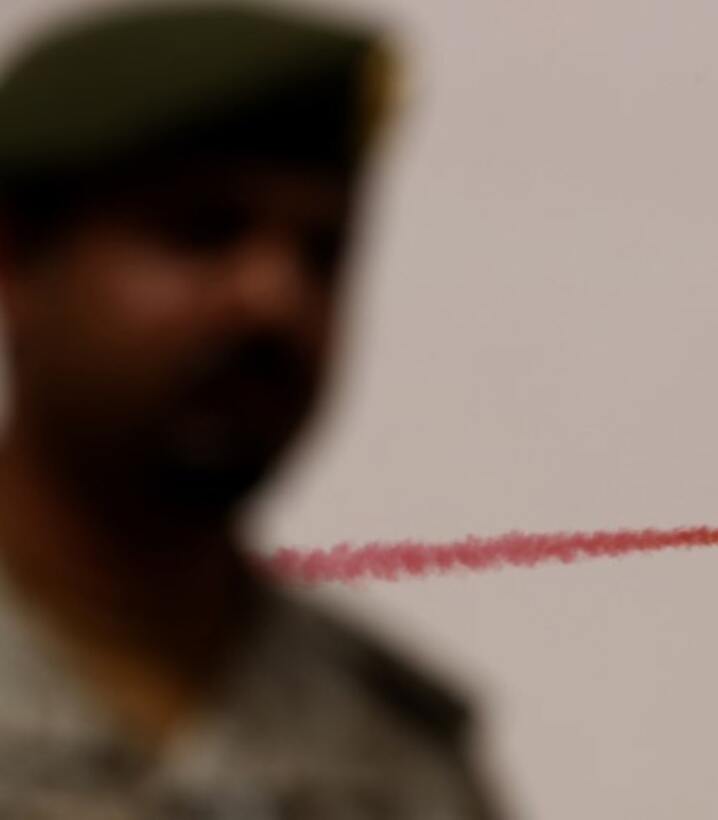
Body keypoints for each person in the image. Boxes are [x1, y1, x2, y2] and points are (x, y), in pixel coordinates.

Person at [0, 3, 502, 817]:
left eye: (322, 252)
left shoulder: (393, 753)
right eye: (202, 231)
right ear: (15, 259)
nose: (274, 299)